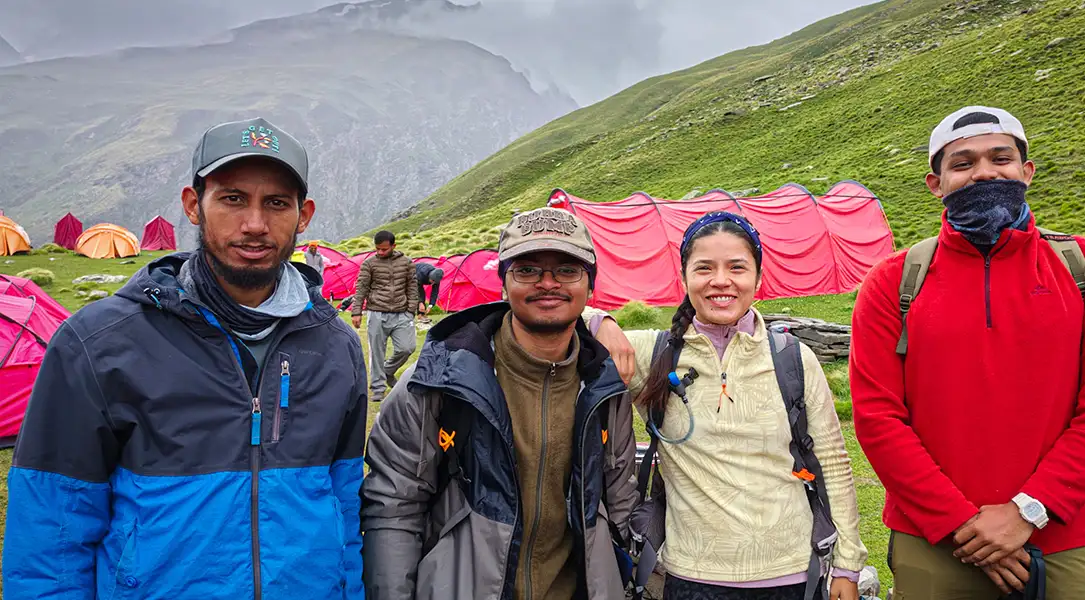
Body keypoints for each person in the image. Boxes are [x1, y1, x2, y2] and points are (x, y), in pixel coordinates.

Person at [3, 117, 367, 598]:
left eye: (277, 203)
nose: (254, 224)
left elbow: (344, 503)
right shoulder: (98, 344)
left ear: (304, 216)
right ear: (194, 205)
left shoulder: (336, 346)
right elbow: (52, 532)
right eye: (232, 199)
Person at [849, 106, 1085, 598]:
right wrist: (958, 520)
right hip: (936, 536)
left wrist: (1028, 511)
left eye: (1000, 158)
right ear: (936, 184)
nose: (984, 172)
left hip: (1062, 532)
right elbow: (878, 417)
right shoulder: (893, 282)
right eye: (962, 163)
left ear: (1026, 171)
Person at [360, 207, 638, 600]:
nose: (547, 283)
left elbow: (620, 501)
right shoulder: (438, 383)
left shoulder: (605, 388)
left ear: (589, 285)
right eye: (527, 270)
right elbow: (393, 507)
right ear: (504, 283)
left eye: (566, 270)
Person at [586, 211, 868, 600]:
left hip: (793, 573)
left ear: (758, 278)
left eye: (737, 267)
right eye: (704, 268)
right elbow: (553, 311)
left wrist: (848, 565)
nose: (721, 280)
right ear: (684, 278)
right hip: (692, 575)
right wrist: (602, 322)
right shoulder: (655, 354)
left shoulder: (792, 358)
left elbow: (833, 464)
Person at [351, 230, 419, 400]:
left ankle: (388, 371)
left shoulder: (407, 263)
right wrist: (356, 311)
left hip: (402, 313)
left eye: (384, 249)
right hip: (376, 313)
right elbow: (361, 288)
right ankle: (378, 388)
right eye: (377, 249)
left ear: (393, 246)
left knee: (407, 348)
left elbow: (412, 286)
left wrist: (411, 310)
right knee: (376, 352)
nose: (380, 252)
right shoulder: (369, 264)